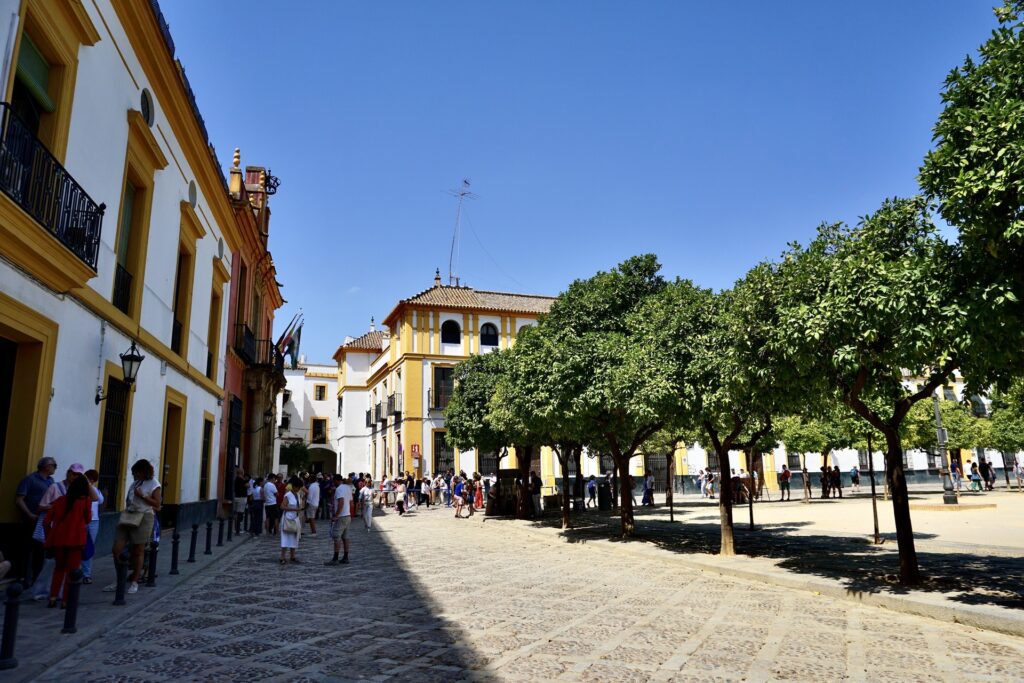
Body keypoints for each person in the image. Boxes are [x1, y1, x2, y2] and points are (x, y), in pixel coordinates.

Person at [106, 459, 160, 595]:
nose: (134, 476)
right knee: (116, 549)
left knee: (138, 550)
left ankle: (135, 581)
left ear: (143, 472)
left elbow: (157, 504)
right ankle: (120, 578)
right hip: (129, 516)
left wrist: (142, 496)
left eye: (136, 473)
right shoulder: (135, 483)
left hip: (144, 517)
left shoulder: (154, 484)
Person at [43, 474, 91, 608]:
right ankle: (65, 600)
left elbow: (46, 522)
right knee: (73, 571)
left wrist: (49, 537)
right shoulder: (84, 501)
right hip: (76, 540)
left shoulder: (59, 501)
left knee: (59, 569)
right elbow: (88, 519)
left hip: (59, 540)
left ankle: (52, 597)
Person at [15, 456, 57, 584]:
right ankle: (22, 577)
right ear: (46, 466)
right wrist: (29, 514)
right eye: (54, 465)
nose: (55, 467)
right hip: (30, 520)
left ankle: (36, 578)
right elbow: (19, 500)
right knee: (26, 549)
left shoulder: (51, 481)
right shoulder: (30, 480)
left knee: (40, 551)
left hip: (43, 521)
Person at [80, 469, 104, 583]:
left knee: (89, 546)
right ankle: (79, 571)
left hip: (94, 521)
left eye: (90, 479)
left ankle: (86, 573)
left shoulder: (95, 490)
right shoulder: (82, 489)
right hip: (83, 520)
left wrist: (90, 486)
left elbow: (99, 500)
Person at [326, 474, 353, 564]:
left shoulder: (339, 489)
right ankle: (345, 557)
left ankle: (335, 558)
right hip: (348, 515)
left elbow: (341, 502)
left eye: (334, 481)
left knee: (336, 536)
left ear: (336, 480)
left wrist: (336, 515)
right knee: (345, 537)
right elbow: (351, 502)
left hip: (341, 516)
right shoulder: (348, 488)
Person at [279, 476, 302, 565]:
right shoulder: (288, 495)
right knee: (285, 538)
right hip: (287, 519)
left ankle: (293, 556)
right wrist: (295, 510)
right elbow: (282, 506)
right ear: (294, 486)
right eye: (298, 487)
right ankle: (282, 557)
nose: (298, 489)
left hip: (295, 519)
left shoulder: (298, 494)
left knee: (294, 538)